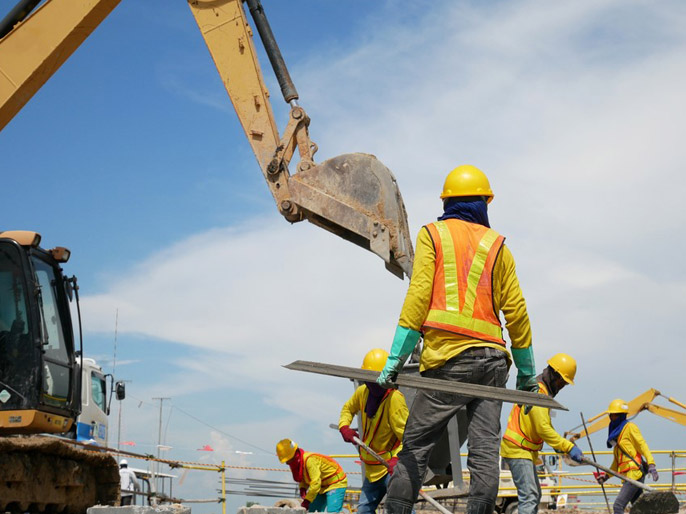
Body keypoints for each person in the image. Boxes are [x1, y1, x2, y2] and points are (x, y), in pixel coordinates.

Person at [377, 165, 539, 514]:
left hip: (448, 362)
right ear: (483, 202)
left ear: (447, 202)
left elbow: (417, 298)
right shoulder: (498, 247)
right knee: (484, 451)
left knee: (416, 446)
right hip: (493, 364)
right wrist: (526, 372)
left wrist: (395, 358)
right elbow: (517, 312)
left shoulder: (432, 235)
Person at [500, 353, 584, 514]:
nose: (562, 386)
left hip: (523, 451)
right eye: (562, 382)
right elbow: (542, 428)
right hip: (518, 449)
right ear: (554, 374)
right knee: (530, 496)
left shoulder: (542, 392)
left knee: (534, 494)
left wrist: (559, 448)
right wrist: (568, 446)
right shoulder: (538, 392)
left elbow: (544, 426)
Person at [338, 349, 409, 514]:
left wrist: (398, 459)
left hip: (390, 469)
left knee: (399, 509)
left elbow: (408, 437)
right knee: (363, 511)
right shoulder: (363, 392)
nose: (371, 384)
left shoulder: (394, 399)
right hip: (372, 470)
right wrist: (344, 426)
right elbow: (348, 409)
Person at [594, 399, 659, 514]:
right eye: (611, 415)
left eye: (614, 415)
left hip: (634, 474)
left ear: (621, 416)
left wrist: (651, 464)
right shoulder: (616, 435)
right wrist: (606, 477)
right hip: (627, 476)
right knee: (639, 509)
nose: (611, 418)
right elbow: (617, 463)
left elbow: (642, 445)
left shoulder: (629, 427)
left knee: (618, 506)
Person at [276, 439, 348, 512]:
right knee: (313, 510)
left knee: (332, 511)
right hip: (321, 485)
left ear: (294, 455)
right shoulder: (298, 463)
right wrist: (303, 488)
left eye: (288, 460)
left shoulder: (309, 460)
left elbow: (316, 482)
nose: (287, 463)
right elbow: (303, 476)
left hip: (336, 482)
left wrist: (307, 501)